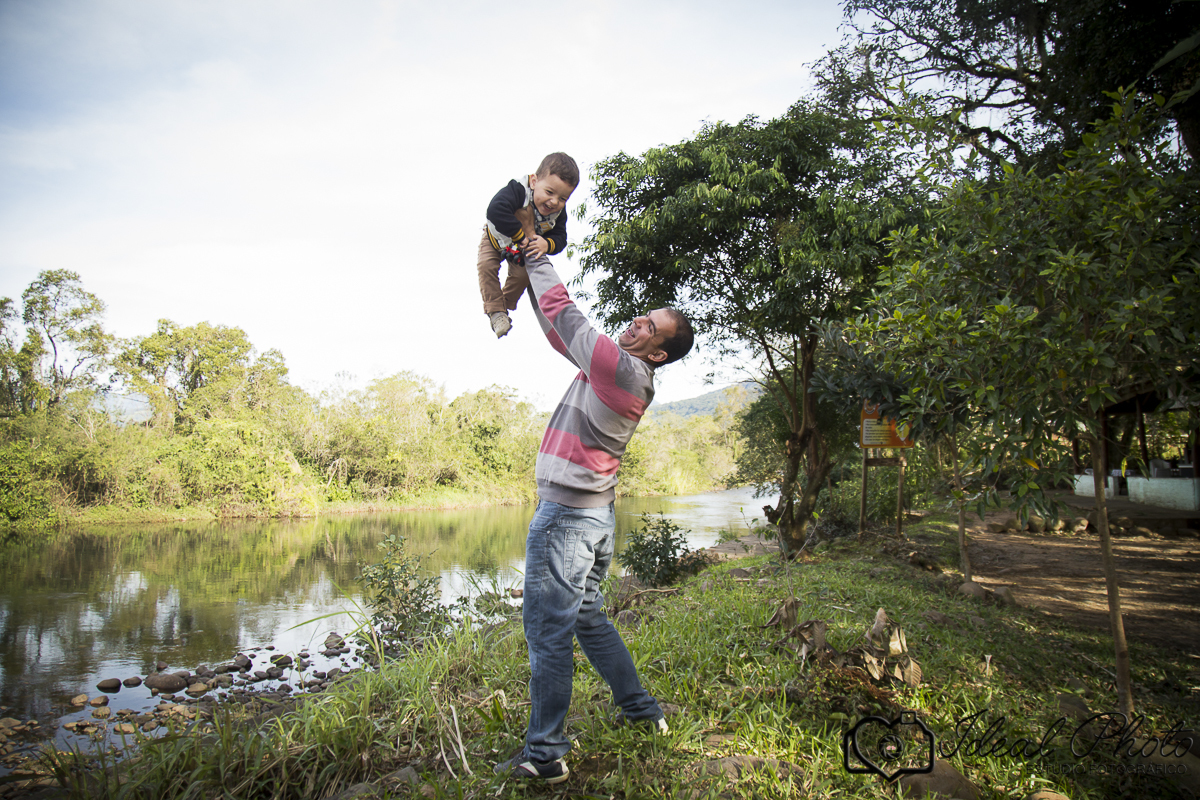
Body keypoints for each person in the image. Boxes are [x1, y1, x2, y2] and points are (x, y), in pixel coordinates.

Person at [493, 236, 695, 785]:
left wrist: (535, 255)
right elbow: (559, 329)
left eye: (650, 327)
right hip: (594, 517)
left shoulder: (622, 371)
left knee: (548, 631)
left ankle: (546, 754)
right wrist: (521, 276)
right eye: (642, 316)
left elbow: (566, 313)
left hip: (565, 519)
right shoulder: (621, 370)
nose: (636, 323)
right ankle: (641, 710)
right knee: (584, 616)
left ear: (657, 354)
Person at [477, 152, 579, 338]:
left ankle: (504, 308)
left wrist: (547, 244)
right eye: (549, 192)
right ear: (534, 181)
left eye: (563, 198)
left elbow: (561, 238)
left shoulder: (558, 214)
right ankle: (494, 310)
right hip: (494, 238)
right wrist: (518, 234)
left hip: (519, 250)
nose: (554, 202)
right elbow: (495, 210)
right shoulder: (518, 190)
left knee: (523, 276)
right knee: (486, 268)